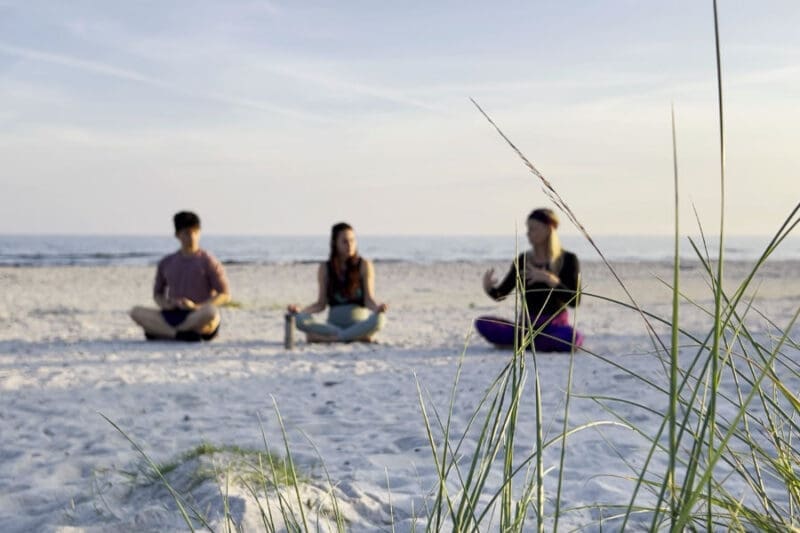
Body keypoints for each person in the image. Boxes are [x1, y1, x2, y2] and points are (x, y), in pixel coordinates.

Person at [476, 208, 583, 352]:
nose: (528, 233)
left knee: (572, 338)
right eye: (528, 229)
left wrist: (551, 280)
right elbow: (501, 294)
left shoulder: (568, 260)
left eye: (533, 229)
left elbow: (575, 301)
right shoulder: (522, 260)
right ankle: (534, 343)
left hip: (554, 326)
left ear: (548, 229)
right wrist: (489, 288)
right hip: (526, 326)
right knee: (483, 323)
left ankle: (526, 344)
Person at [129, 211, 230, 341]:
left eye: (195, 232)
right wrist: (167, 304)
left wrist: (196, 306)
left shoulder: (208, 261)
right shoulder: (167, 262)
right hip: (172, 315)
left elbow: (225, 295)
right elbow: (157, 294)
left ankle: (164, 332)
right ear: (177, 235)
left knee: (211, 313)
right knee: (136, 312)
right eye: (187, 233)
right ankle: (179, 334)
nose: (192, 237)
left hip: (197, 314)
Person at [287, 222, 387, 343]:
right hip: (332, 327)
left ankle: (333, 339)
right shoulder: (325, 268)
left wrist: (378, 309)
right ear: (335, 243)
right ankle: (353, 338)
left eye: (352, 240)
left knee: (380, 319)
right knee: (298, 319)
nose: (349, 245)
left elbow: (368, 300)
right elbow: (320, 304)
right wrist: (301, 312)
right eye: (344, 241)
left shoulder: (364, 265)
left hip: (358, 325)